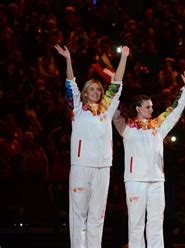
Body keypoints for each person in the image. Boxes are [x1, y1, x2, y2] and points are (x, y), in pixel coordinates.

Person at [54, 44, 129, 248]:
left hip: (102, 168)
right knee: (79, 215)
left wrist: (124, 57)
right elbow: (70, 84)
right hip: (81, 167)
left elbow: (118, 83)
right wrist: (68, 60)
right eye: (91, 89)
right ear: (85, 94)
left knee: (97, 217)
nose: (95, 91)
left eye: (98, 89)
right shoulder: (77, 110)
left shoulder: (107, 108)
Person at [113, 72, 185, 248]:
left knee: (156, 223)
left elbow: (175, 111)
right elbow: (112, 109)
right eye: (148, 107)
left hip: (157, 180)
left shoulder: (158, 126)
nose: (152, 110)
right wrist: (114, 83)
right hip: (135, 181)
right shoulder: (126, 127)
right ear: (138, 109)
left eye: (152, 107)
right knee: (136, 224)